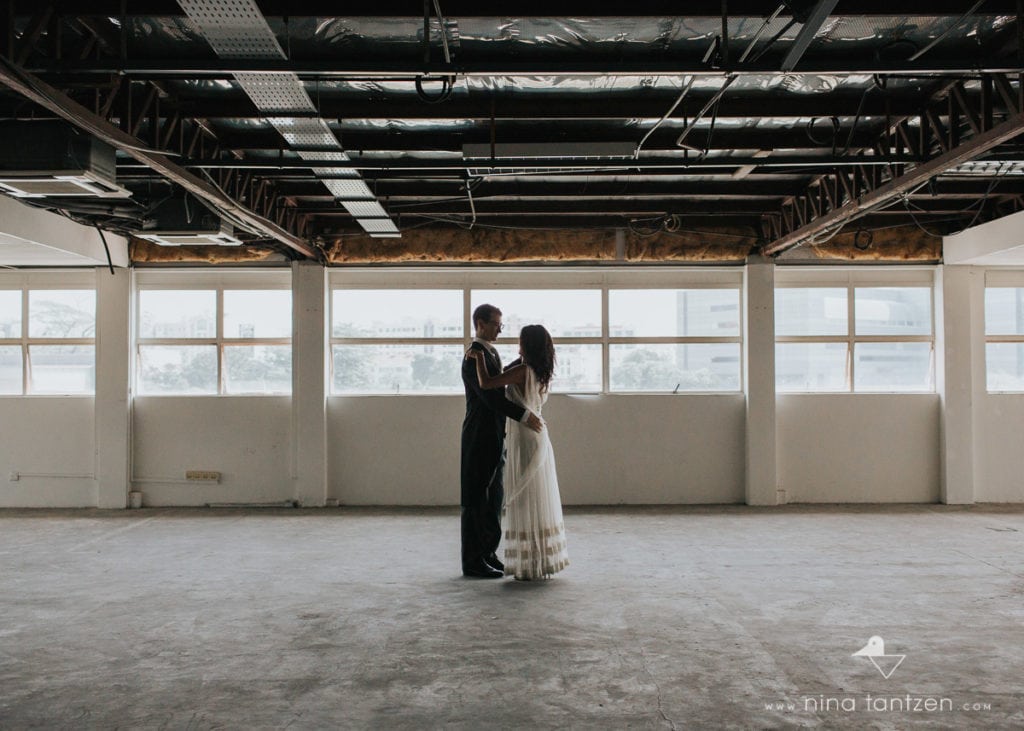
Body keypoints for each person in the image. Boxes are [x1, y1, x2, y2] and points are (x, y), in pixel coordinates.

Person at [466, 324, 569, 580]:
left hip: (524, 435)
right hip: (537, 434)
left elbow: (487, 384)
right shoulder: (539, 370)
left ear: (528, 344)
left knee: (525, 498)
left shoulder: (522, 370)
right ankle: (540, 559)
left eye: (521, 340)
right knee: (536, 494)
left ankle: (528, 561)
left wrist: (479, 357)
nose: (516, 343)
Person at [461, 304, 543, 579]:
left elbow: (503, 379)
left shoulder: (490, 352)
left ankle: (488, 553)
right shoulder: (474, 355)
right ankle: (473, 561)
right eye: (496, 324)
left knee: (494, 498)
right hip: (479, 435)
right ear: (481, 323)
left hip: (496, 434)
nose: (500, 329)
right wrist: (523, 415)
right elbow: (490, 397)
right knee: (476, 498)